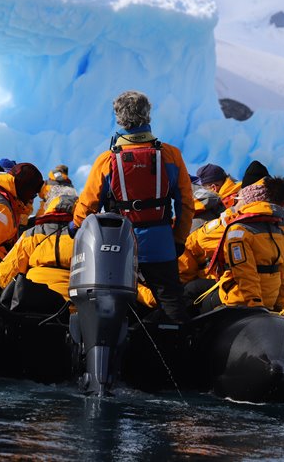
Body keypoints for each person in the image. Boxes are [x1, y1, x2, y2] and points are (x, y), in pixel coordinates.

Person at [73, 90, 194, 324]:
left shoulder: (107, 160)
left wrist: (75, 228)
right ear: (148, 115)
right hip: (160, 243)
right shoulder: (170, 155)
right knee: (171, 304)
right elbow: (186, 203)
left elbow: (87, 205)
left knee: (112, 306)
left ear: (119, 118)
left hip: (115, 246)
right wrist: (177, 240)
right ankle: (178, 352)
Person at [201, 161, 284, 311]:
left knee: (192, 292)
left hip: (242, 297)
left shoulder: (237, 225)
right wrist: (279, 305)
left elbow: (243, 272)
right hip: (271, 295)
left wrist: (254, 304)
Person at [0, 194, 78, 311]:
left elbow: (5, 276)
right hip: (74, 308)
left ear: (50, 208)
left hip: (31, 306)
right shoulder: (88, 237)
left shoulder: (31, 234)